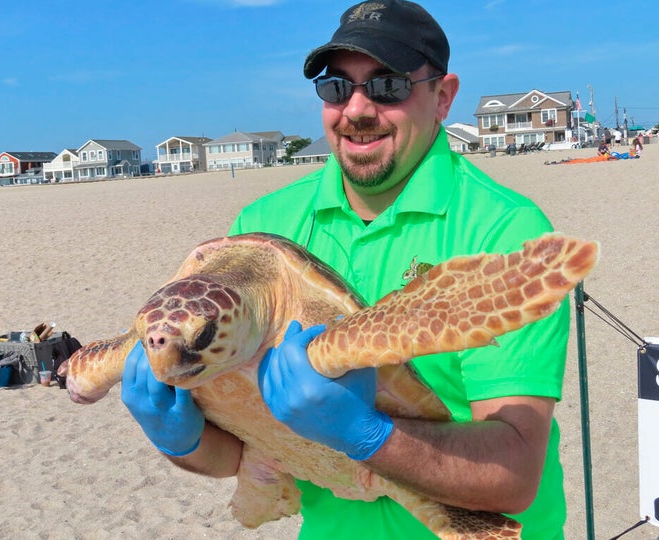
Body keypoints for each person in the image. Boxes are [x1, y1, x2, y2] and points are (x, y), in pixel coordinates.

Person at [121, 2, 570, 538]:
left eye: (388, 86)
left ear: (443, 96)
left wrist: (368, 435)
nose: (356, 108)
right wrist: (181, 439)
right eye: (336, 87)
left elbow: (513, 477)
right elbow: (238, 454)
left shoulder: (501, 231)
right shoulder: (262, 225)